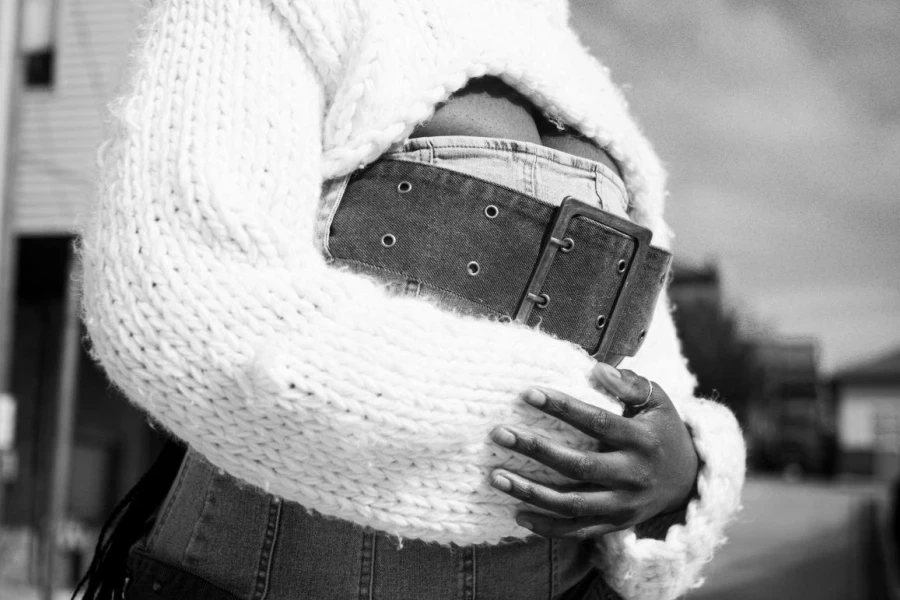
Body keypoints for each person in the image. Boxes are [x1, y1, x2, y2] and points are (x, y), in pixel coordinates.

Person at [77, 1, 746, 599]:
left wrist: (682, 465)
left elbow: (652, 366)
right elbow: (180, 300)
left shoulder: (578, 65)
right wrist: (571, 429)